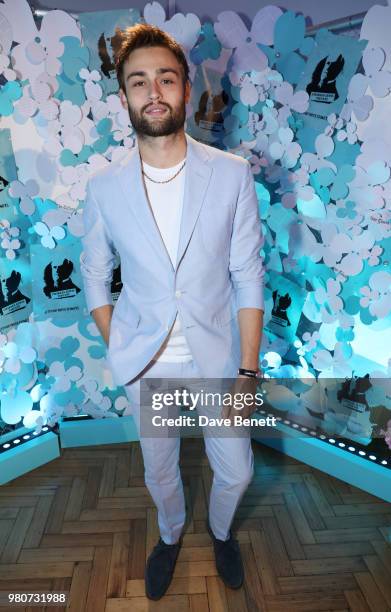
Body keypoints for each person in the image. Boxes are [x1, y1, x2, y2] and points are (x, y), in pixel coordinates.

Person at [80, 23, 265, 601]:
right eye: (138, 81)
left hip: (218, 359)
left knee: (237, 471)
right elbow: (92, 274)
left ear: (185, 87)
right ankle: (169, 535)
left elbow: (248, 275)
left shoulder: (232, 174)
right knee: (159, 473)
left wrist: (248, 371)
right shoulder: (104, 187)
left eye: (165, 77)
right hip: (146, 364)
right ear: (125, 97)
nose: (153, 90)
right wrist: (118, 343)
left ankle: (220, 531)